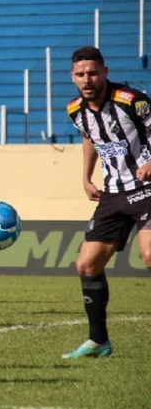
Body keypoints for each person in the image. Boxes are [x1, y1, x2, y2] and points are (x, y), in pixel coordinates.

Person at [63, 46, 151, 359]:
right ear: (73, 78)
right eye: (80, 74)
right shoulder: (75, 109)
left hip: (147, 188)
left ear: (105, 72)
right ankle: (99, 341)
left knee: (150, 255)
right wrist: (86, 177)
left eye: (93, 73)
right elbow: (90, 137)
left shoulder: (131, 100)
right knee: (86, 264)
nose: (87, 79)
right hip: (113, 194)